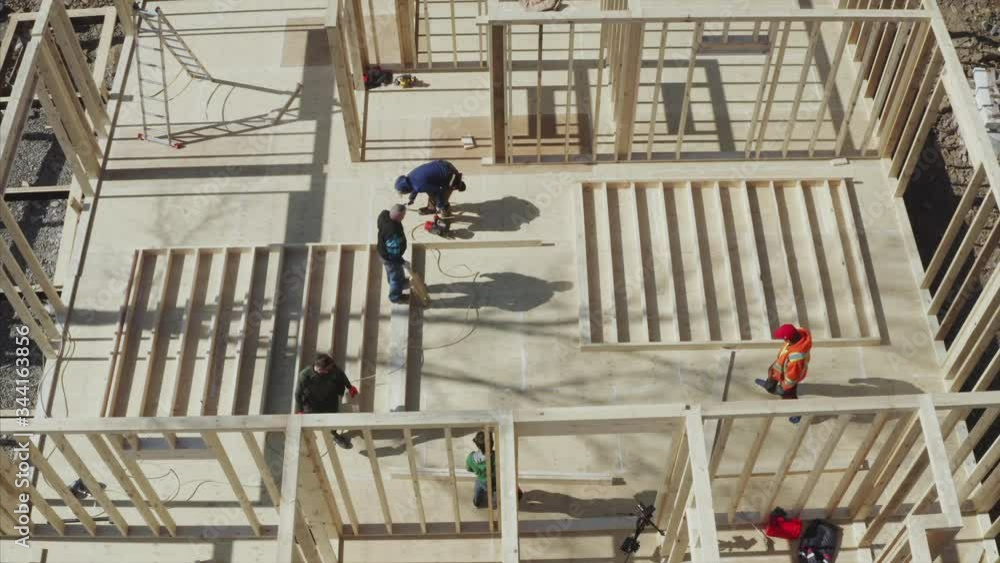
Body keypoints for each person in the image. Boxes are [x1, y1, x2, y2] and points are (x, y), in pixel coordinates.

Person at [294, 353, 358, 447]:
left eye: (331, 368)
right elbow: (298, 394)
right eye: (327, 369)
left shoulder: (332, 368)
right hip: (312, 402)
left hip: (329, 397)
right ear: (319, 369)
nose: (330, 370)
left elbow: (341, 375)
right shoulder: (304, 376)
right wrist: (299, 410)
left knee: (333, 416)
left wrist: (349, 387)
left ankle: (333, 434)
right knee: (312, 418)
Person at [755, 324, 812, 424]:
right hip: (778, 369)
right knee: (771, 381)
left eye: (783, 339)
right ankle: (769, 386)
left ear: (788, 339)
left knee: (789, 395)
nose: (783, 341)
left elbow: (792, 376)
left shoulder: (796, 357)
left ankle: (796, 413)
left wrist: (785, 386)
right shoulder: (796, 337)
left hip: (787, 377)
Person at [465, 431, 522, 509]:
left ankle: (477, 502)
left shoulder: (470, 458)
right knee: (497, 491)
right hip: (495, 483)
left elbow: (469, 469)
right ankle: (496, 503)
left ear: (477, 445)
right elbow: (506, 471)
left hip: (481, 481)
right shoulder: (498, 457)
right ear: (492, 443)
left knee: (477, 489)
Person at [395, 160, 467, 216]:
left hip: (450, 176)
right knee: (430, 189)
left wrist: (440, 204)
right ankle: (431, 208)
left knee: (442, 199)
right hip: (445, 165)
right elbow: (415, 186)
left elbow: (439, 190)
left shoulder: (419, 186)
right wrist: (412, 198)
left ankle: (446, 214)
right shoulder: (410, 176)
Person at [377, 204, 409, 304]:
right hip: (390, 259)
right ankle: (395, 297)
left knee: (393, 272)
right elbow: (393, 254)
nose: (404, 217)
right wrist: (403, 262)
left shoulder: (384, 214)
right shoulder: (393, 232)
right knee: (395, 277)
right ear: (399, 216)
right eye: (403, 215)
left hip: (383, 252)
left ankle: (400, 282)